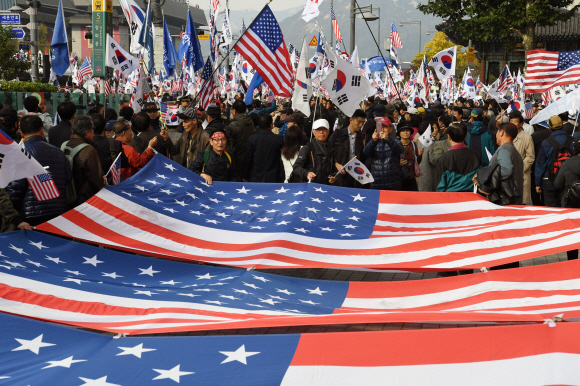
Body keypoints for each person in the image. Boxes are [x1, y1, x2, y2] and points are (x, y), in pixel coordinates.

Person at [7, 115, 71, 226]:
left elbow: (14, 189)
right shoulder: (59, 152)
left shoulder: (18, 154)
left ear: (21, 133)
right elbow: (68, 179)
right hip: (58, 212)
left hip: (29, 217)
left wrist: (13, 217)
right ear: (42, 130)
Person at [475, 122, 524, 205]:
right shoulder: (514, 150)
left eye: (497, 131)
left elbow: (506, 170)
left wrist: (485, 177)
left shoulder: (504, 149)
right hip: (513, 197)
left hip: (504, 199)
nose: (496, 134)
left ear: (502, 133)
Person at [61, 116, 105, 206]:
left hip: (66, 195)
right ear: (87, 132)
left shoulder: (64, 145)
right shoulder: (89, 150)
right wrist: (103, 180)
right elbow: (97, 180)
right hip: (84, 200)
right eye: (93, 129)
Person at [535, 115, 575, 207]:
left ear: (549, 128)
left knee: (551, 212)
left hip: (549, 182)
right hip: (567, 182)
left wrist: (538, 183)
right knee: (566, 211)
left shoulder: (546, 143)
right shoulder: (571, 140)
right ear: (563, 125)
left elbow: (540, 165)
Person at [434, 123, 481, 192]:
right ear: (466, 136)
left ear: (449, 137)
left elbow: (439, 185)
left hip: (451, 199)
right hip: (472, 198)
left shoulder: (444, 158)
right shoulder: (476, 156)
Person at [292, 119, 337, 185]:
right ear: (313, 132)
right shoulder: (307, 148)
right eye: (318, 129)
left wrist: (333, 177)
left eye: (324, 129)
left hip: (325, 187)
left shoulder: (332, 149)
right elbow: (296, 167)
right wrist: (306, 173)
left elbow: (333, 169)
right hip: (310, 186)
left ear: (328, 131)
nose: (321, 132)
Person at [363, 117, 403, 190]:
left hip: (393, 182)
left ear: (390, 129)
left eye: (385, 127)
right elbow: (366, 152)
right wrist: (373, 141)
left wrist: (388, 139)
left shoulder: (396, 141)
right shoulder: (374, 141)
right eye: (380, 126)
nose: (382, 129)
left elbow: (399, 150)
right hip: (376, 182)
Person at [330, 109, 366, 188]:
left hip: (355, 173)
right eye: (359, 122)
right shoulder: (338, 134)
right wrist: (336, 164)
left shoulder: (361, 136)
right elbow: (329, 150)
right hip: (340, 173)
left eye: (363, 123)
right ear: (351, 120)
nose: (361, 125)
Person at [243, 114, 285, 182]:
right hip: (274, 177)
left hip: (256, 176)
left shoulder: (252, 139)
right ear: (271, 125)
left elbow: (248, 159)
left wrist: (245, 175)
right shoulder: (278, 139)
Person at [509, 111, 535, 204]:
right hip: (509, 175)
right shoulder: (507, 136)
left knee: (522, 202)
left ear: (521, 123)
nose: (513, 124)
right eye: (511, 122)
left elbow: (530, 156)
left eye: (515, 122)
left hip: (522, 175)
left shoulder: (527, 137)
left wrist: (520, 167)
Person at [229, 100, 255, 180]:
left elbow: (230, 145)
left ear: (234, 111)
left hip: (237, 160)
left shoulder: (234, 125)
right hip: (249, 157)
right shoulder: (250, 121)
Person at [398, 124, 423, 191]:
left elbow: (417, 161)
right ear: (399, 133)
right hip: (399, 178)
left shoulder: (413, 144)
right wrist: (398, 163)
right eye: (403, 131)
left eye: (407, 131)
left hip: (411, 178)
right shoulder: (396, 145)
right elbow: (391, 160)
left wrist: (419, 155)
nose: (405, 132)